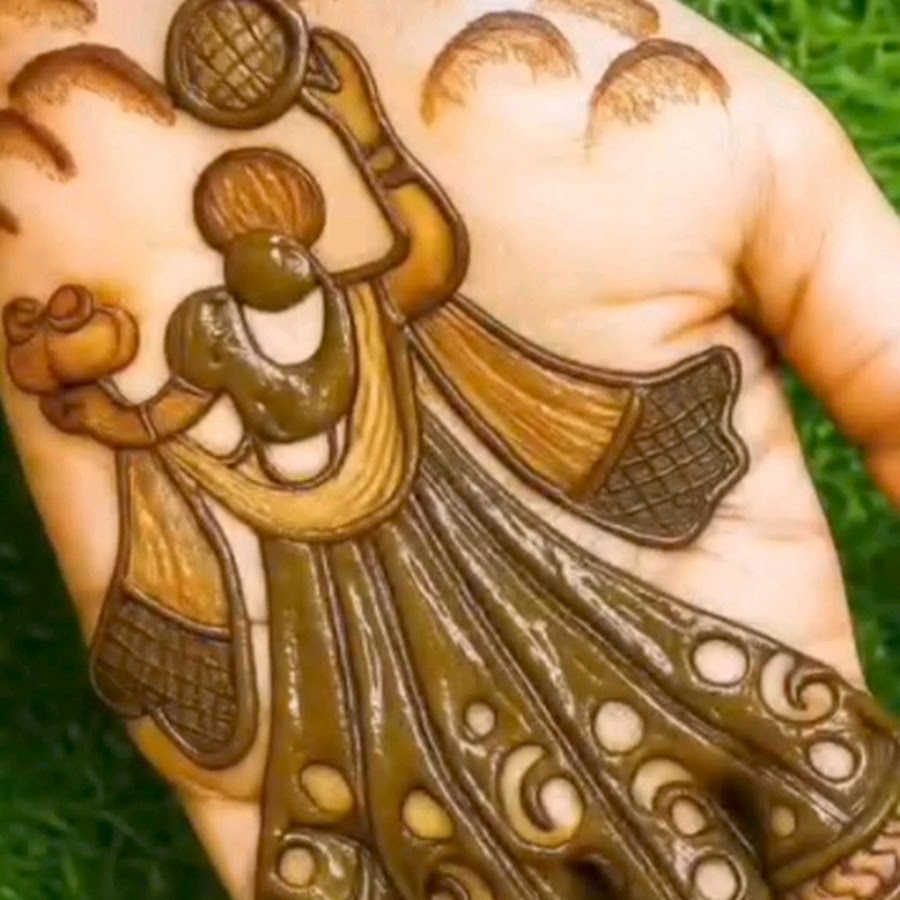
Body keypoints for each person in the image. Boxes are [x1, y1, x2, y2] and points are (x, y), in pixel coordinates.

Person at [0, 0, 899, 898]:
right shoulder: (211, 328)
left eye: (271, 223)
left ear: (303, 228)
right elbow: (173, 412)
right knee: (367, 718)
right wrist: (102, 413)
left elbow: (422, 248)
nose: (256, 247)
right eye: (234, 229)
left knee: (570, 641)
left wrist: (364, 129)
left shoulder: (359, 301)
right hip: (318, 574)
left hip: (441, 520)